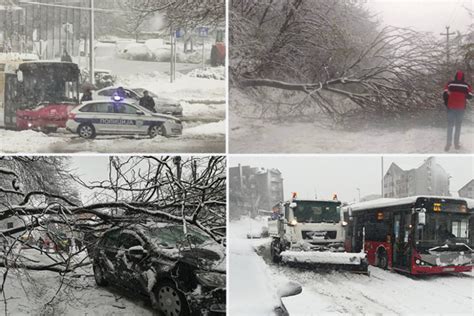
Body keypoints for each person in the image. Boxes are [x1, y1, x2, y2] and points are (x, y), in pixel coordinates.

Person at [443, 70, 472, 151]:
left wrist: (447, 104)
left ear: (455, 76)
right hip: (461, 108)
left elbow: (445, 94)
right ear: (463, 77)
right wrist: (463, 96)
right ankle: (456, 144)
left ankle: (448, 143)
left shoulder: (450, 83)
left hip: (451, 107)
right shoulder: (466, 86)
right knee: (458, 126)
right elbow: (470, 96)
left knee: (450, 126)